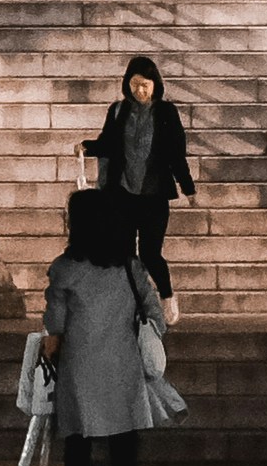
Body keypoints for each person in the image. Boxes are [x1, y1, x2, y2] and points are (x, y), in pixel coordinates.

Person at [38, 191, 169, 466]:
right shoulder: (130, 267)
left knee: (77, 445)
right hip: (123, 367)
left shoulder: (65, 268)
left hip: (79, 368)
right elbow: (156, 315)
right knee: (124, 448)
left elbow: (55, 326)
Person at [83, 53, 195, 294]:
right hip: (122, 192)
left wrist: (187, 187)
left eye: (145, 85)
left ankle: (166, 297)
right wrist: (86, 147)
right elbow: (108, 144)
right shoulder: (118, 110)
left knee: (150, 254)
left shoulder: (166, 112)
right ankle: (132, 301)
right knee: (123, 252)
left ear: (155, 84)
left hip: (154, 195)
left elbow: (176, 152)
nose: (139, 91)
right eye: (134, 85)